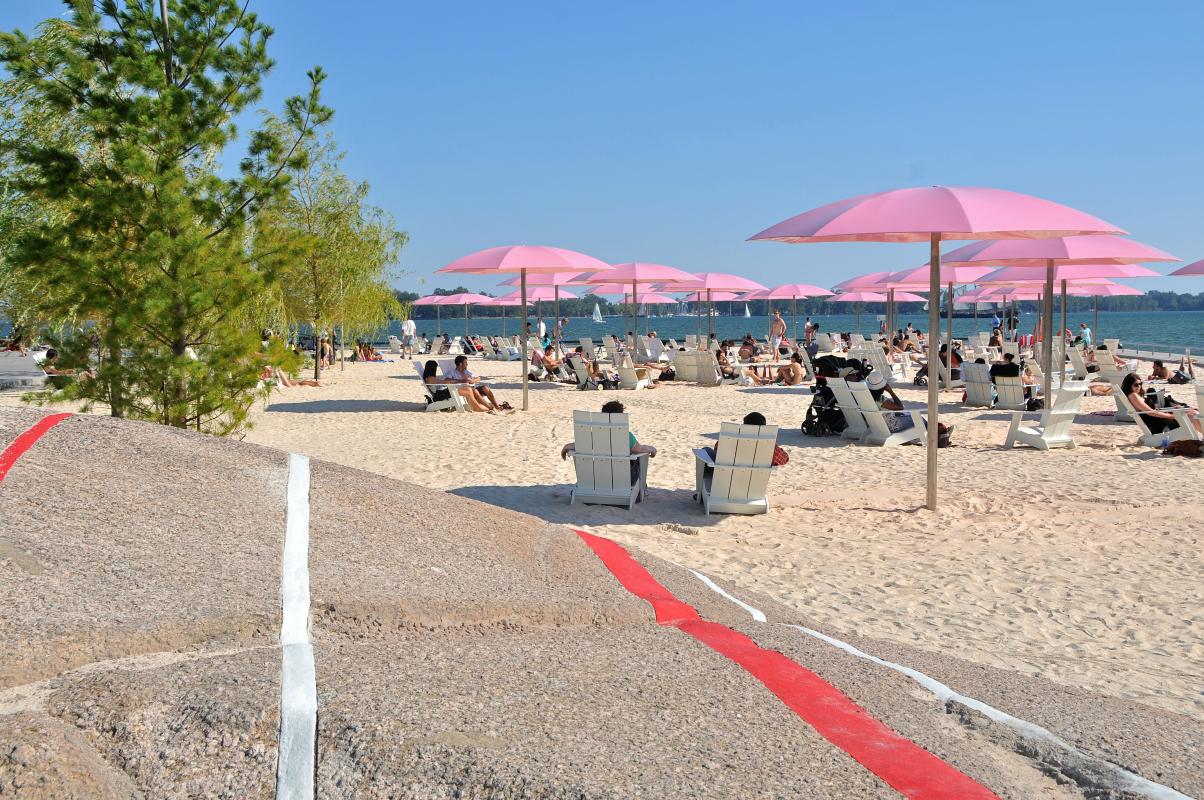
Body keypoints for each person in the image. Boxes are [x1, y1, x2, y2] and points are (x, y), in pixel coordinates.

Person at [560, 399, 657, 485]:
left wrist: (565, 448)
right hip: (624, 479)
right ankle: (641, 489)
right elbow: (639, 449)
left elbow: (574, 446)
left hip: (596, 477)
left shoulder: (593, 435)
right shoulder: (626, 436)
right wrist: (652, 449)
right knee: (638, 460)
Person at [1123, 372, 1201, 436]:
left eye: (1140, 384)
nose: (1139, 386)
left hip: (1160, 419)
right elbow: (1151, 413)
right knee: (1193, 415)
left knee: (1192, 412)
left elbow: (1153, 410)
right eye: (1136, 385)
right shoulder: (1133, 396)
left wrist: (1173, 410)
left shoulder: (1136, 395)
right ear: (1129, 385)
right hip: (1159, 424)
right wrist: (1173, 416)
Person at [423, 359, 492, 412]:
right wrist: (454, 381)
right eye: (435, 367)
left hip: (445, 391)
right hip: (441, 394)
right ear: (432, 368)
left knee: (469, 390)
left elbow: (444, 382)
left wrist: (454, 381)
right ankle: (478, 407)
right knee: (468, 390)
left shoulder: (431, 377)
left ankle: (481, 406)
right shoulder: (430, 378)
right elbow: (444, 382)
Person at [446, 354, 511, 411]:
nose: (467, 364)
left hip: (472, 388)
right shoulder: (452, 372)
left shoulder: (467, 372)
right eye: (465, 362)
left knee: (485, 388)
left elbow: (478, 378)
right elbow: (447, 381)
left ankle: (497, 407)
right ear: (460, 364)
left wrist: (473, 381)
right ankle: (491, 408)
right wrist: (460, 381)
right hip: (465, 390)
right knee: (475, 391)